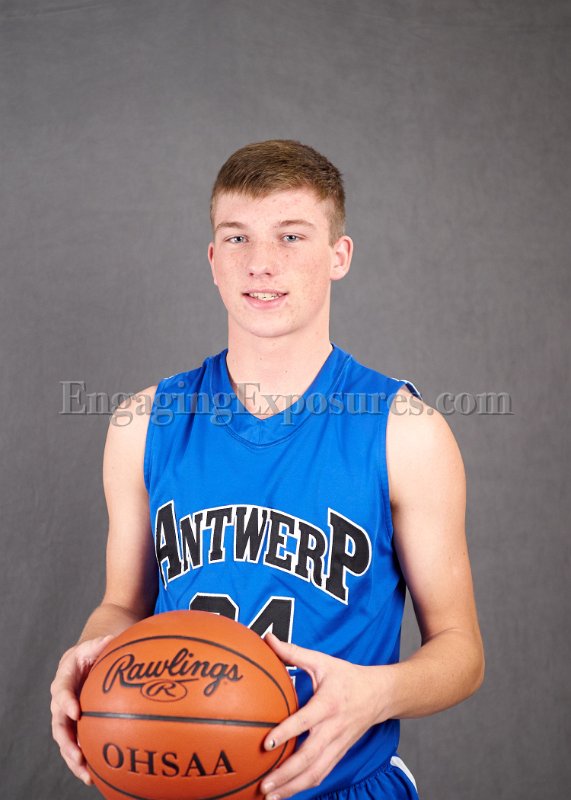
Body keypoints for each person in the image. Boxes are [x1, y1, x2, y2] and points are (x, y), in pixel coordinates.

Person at [50, 139, 484, 799]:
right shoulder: (142, 423)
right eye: (236, 237)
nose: (260, 263)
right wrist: (89, 659)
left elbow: (460, 651)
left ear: (338, 256)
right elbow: (122, 605)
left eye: (291, 236)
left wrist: (375, 693)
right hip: (181, 781)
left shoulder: (404, 432)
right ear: (212, 260)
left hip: (341, 786)